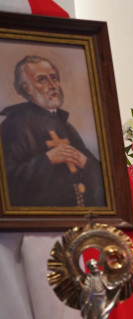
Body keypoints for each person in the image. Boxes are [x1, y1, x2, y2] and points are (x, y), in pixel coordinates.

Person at [0, 55, 105, 208]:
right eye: (42, 79)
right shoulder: (15, 125)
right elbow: (8, 183)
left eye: (54, 78)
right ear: (26, 87)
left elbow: (103, 179)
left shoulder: (64, 125)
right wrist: (47, 160)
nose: (52, 85)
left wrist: (85, 162)